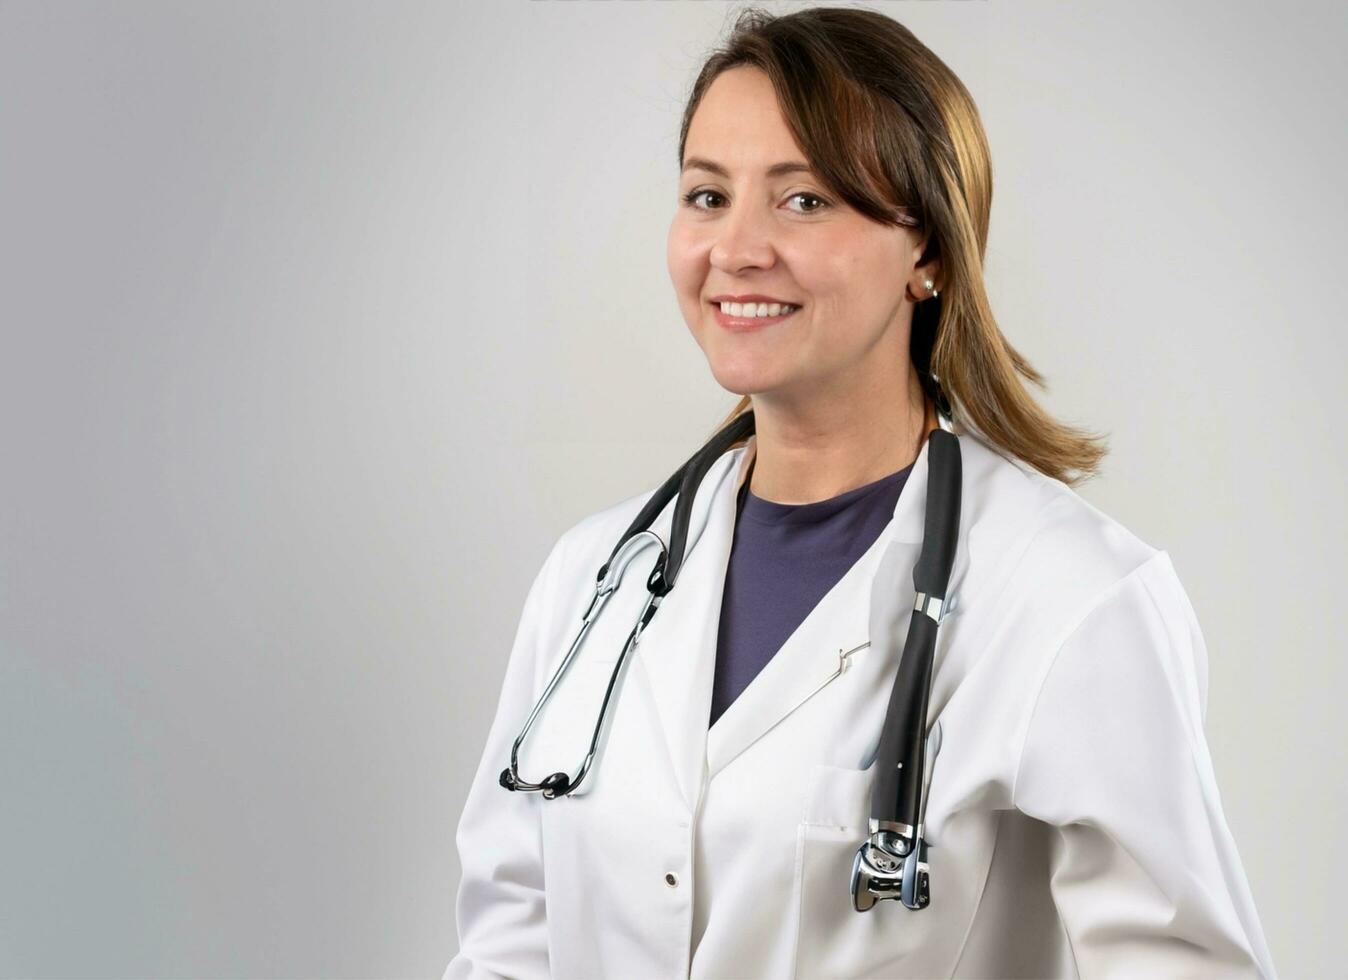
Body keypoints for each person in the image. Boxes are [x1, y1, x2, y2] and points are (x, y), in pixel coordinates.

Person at [444, 6, 1275, 978]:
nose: (738, 247)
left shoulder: (1068, 596)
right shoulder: (594, 578)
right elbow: (509, 939)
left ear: (925, 246)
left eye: (802, 201)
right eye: (707, 195)